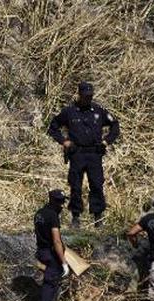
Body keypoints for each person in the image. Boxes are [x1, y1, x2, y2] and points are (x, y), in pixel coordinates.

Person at [48, 81, 120, 228]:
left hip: (94, 153)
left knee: (97, 184)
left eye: (90, 96)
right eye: (85, 96)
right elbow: (53, 127)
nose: (88, 98)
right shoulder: (70, 111)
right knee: (75, 185)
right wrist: (64, 141)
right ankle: (76, 216)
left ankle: (98, 216)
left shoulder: (99, 111)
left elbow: (115, 125)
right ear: (79, 95)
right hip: (77, 153)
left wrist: (107, 141)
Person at [34, 189, 70, 301]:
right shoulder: (52, 216)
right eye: (60, 202)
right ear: (52, 200)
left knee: (50, 279)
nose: (62, 205)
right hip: (50, 252)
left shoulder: (39, 213)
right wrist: (64, 263)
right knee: (51, 281)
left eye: (63, 201)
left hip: (41, 250)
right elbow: (56, 241)